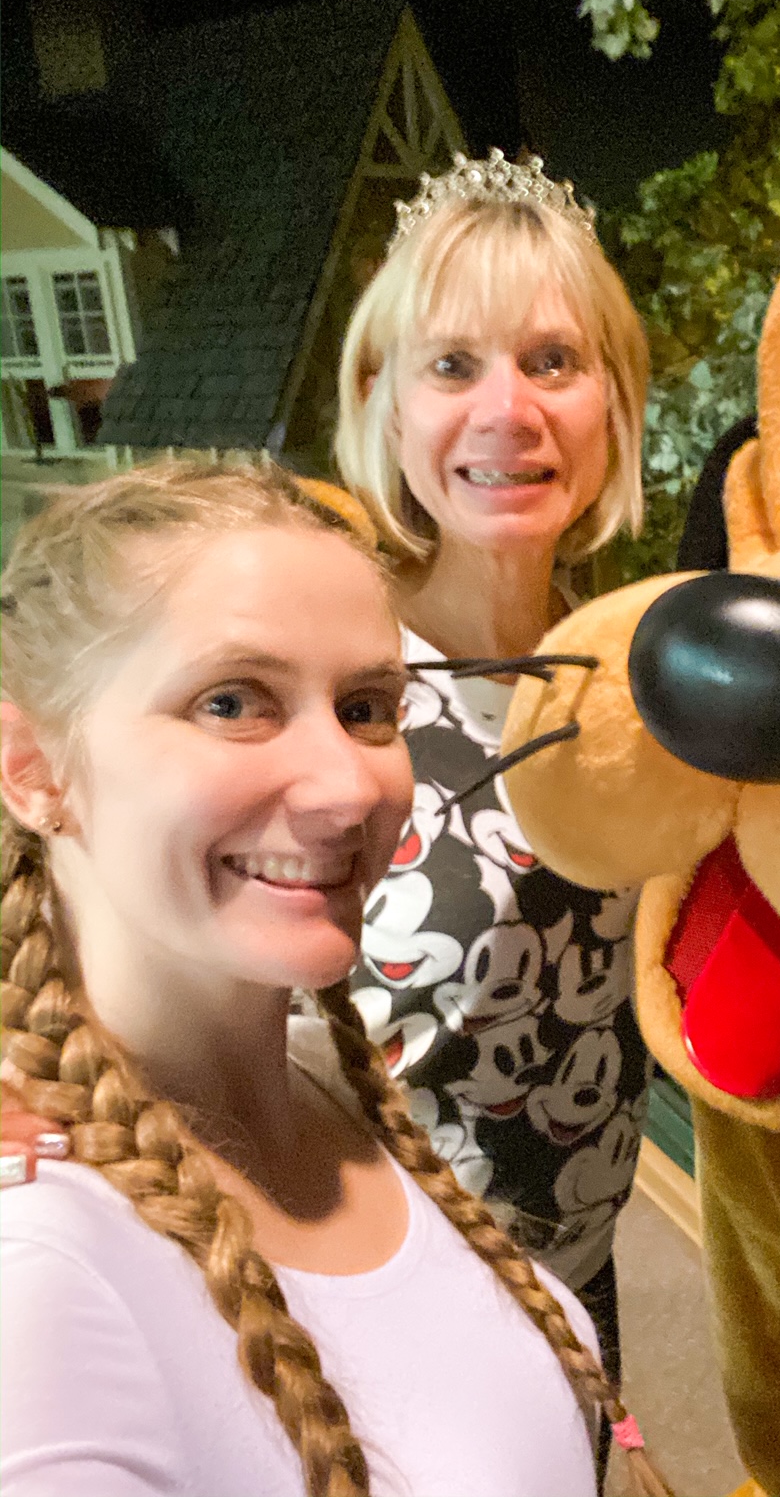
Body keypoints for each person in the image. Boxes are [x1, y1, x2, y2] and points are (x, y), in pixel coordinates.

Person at [0, 455, 666, 1497]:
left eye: (367, 707)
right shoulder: (40, 1270)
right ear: (32, 765)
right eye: (233, 700)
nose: (350, 784)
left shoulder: (332, 1081)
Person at [332, 149, 653, 1460]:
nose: (506, 411)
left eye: (552, 361)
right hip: (358, 1354)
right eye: (452, 365)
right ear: (387, 406)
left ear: (614, 403)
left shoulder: (644, 691)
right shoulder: (327, 680)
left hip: (581, 1323)